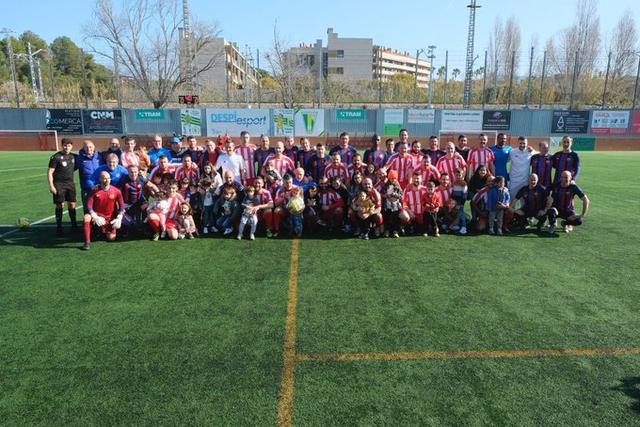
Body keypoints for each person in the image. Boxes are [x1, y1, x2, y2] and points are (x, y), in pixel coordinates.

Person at [82, 171, 125, 250]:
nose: (107, 180)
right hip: (97, 216)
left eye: (108, 178)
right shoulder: (94, 190)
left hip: (109, 217)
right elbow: (89, 204)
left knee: (111, 238)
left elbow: (122, 205)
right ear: (100, 179)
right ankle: (87, 242)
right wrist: (94, 215)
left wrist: (120, 217)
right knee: (86, 217)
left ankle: (99, 232)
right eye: (104, 178)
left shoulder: (116, 191)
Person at [47, 138, 79, 235]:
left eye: (69, 146)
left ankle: (74, 226)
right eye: (65, 145)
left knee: (72, 204)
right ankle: (59, 227)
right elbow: (50, 172)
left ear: (71, 146)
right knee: (60, 204)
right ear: (62, 145)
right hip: (59, 184)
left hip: (70, 183)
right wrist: (51, 186)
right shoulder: (55, 157)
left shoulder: (74, 156)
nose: (67, 147)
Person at [399, 171, 428, 235]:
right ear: (412, 179)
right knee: (404, 215)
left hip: (422, 214)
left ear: (421, 179)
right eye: (414, 178)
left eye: (418, 178)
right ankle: (404, 226)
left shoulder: (426, 190)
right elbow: (404, 203)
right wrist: (409, 211)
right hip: (411, 213)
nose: (416, 180)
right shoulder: (407, 190)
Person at [76, 140, 101, 212]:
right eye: (86, 147)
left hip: (99, 187)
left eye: (90, 147)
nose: (89, 149)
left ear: (94, 147)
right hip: (86, 188)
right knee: (87, 208)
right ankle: (87, 223)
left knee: (99, 207)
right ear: (83, 148)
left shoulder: (99, 156)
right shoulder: (79, 158)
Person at [380, 172, 403, 238]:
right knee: (386, 218)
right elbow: (381, 193)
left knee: (395, 218)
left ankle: (395, 231)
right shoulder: (385, 186)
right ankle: (386, 230)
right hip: (387, 205)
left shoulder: (397, 187)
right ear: (389, 178)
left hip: (395, 206)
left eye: (394, 179)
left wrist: (394, 195)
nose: (393, 180)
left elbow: (401, 195)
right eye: (391, 178)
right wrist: (385, 195)